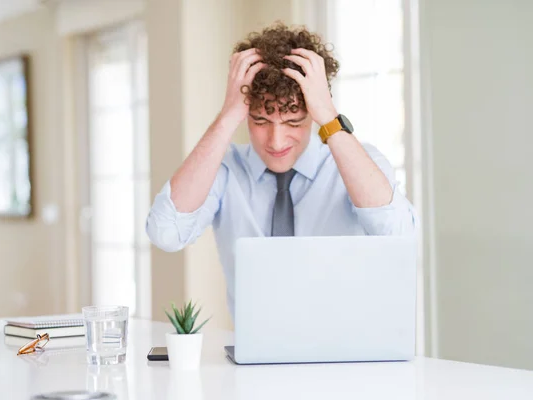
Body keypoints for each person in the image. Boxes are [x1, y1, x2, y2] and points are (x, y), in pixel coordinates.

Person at [146, 23, 417, 315]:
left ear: (313, 115)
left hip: (346, 354)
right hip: (254, 355)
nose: (276, 142)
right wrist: (227, 116)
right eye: (260, 121)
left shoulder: (355, 164)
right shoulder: (224, 170)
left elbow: (398, 237)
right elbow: (166, 233)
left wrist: (328, 114)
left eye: (293, 122)